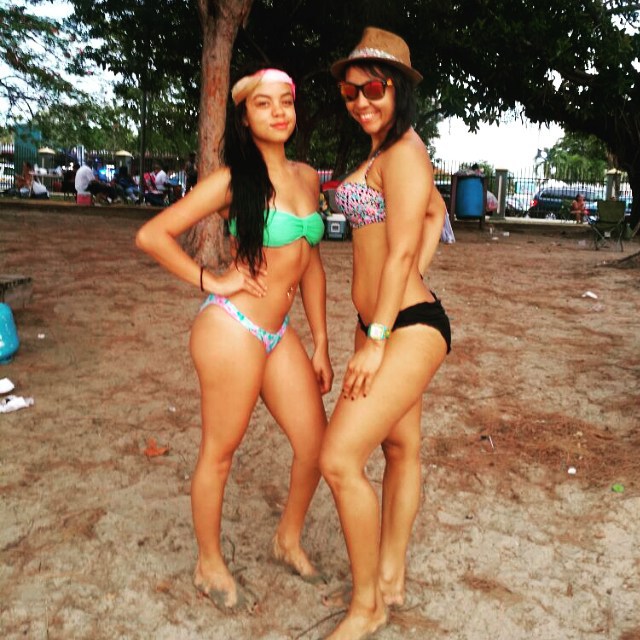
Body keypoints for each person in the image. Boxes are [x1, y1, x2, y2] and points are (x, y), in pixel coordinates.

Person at [135, 66, 333, 612]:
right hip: (232, 328)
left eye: (285, 101)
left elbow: (311, 264)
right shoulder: (231, 181)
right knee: (220, 452)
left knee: (315, 444)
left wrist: (321, 341)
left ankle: (287, 537)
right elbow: (153, 235)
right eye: (263, 104)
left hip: (278, 331)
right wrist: (213, 279)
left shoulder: (307, 178)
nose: (278, 112)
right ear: (245, 117)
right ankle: (208, 562)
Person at [319, 27, 451, 640]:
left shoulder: (404, 152)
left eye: (372, 89)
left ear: (397, 89)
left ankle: (368, 605)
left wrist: (377, 337)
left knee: (338, 456)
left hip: (404, 327)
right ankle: (390, 578)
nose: (361, 102)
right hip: (376, 323)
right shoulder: (380, 156)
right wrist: (373, 323)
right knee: (399, 449)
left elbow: (398, 252)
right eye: (350, 92)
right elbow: (436, 210)